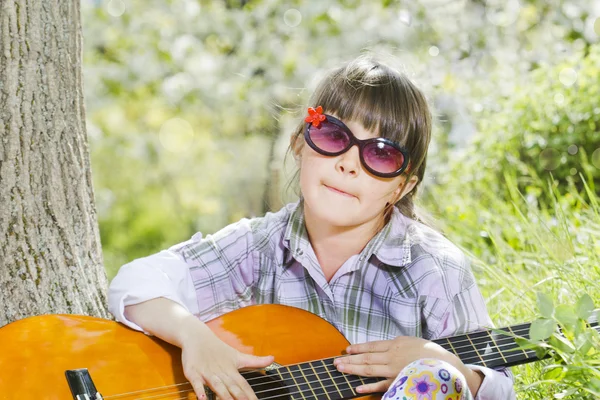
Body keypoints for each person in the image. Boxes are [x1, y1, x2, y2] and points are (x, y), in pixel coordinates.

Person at [108, 55, 516, 400]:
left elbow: (502, 386)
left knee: (437, 379)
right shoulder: (259, 246)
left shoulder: (434, 268)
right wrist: (194, 337)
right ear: (301, 144)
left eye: (382, 155)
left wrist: (446, 364)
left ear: (403, 186)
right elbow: (138, 281)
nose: (349, 163)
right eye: (333, 135)